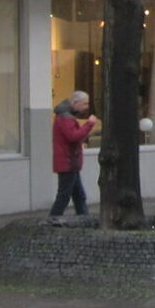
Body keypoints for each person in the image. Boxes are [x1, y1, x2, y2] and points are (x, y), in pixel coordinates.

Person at [49, 91, 99, 221]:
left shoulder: (66, 117)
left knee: (78, 195)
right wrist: (89, 124)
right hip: (68, 162)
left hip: (70, 162)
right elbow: (73, 136)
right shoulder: (66, 118)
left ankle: (84, 219)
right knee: (65, 196)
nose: (86, 107)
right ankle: (52, 220)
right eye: (84, 104)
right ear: (75, 103)